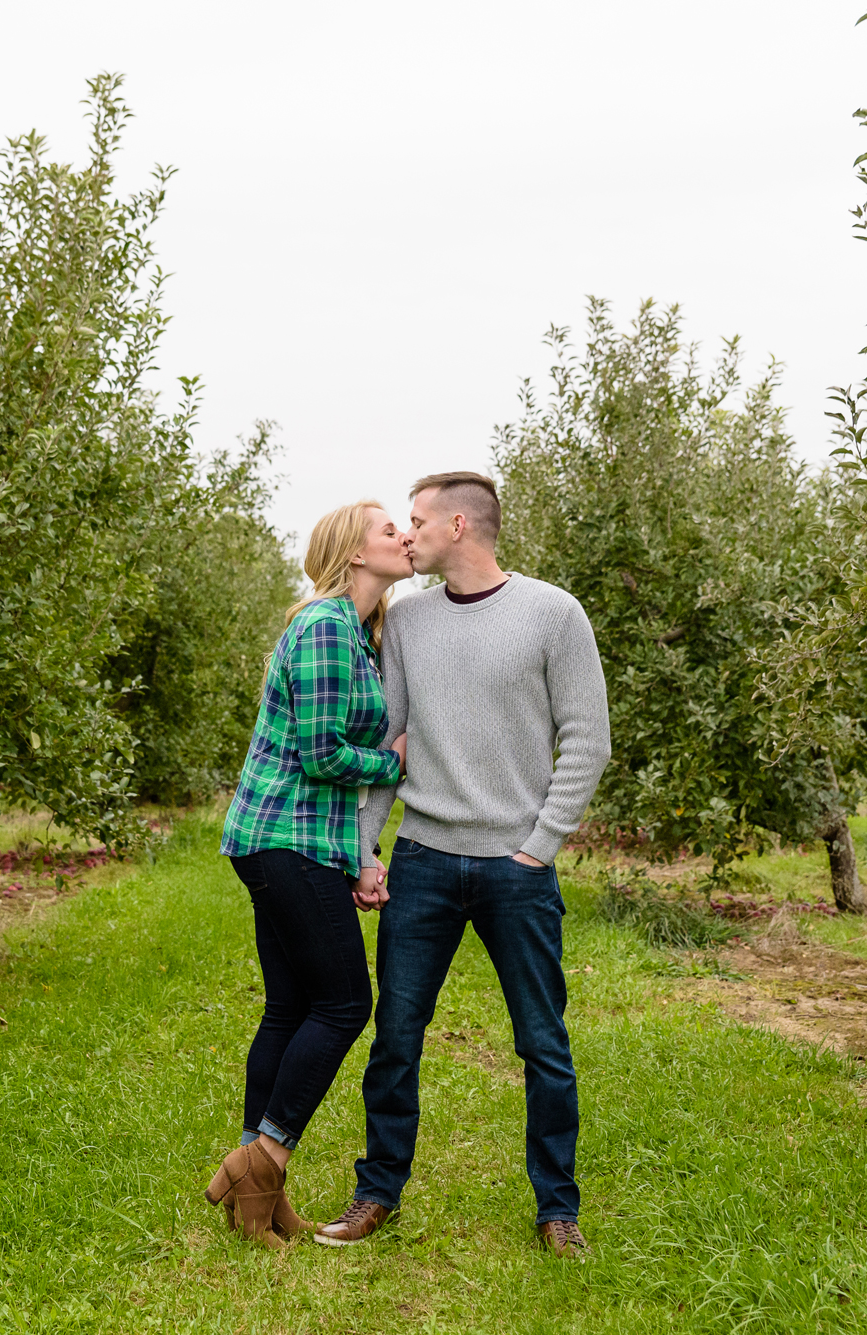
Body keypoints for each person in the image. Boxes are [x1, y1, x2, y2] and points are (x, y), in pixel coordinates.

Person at [312, 470, 610, 1259]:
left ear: (458, 526)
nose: (408, 535)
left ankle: (557, 1209)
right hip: (425, 861)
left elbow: (588, 739)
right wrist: (367, 847)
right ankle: (377, 1192)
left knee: (542, 1041)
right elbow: (391, 740)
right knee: (396, 1036)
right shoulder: (408, 620)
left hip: (517, 867)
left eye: (416, 521)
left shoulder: (553, 613)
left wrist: (538, 845)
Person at [204, 499, 414, 1246]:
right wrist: (395, 758)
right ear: (355, 553)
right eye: (391, 529)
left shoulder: (356, 635)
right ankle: (258, 1162)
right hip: (284, 839)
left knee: (290, 1007)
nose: (405, 537)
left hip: (297, 840)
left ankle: (258, 1194)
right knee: (344, 1004)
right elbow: (324, 756)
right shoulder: (326, 626)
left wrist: (361, 855)